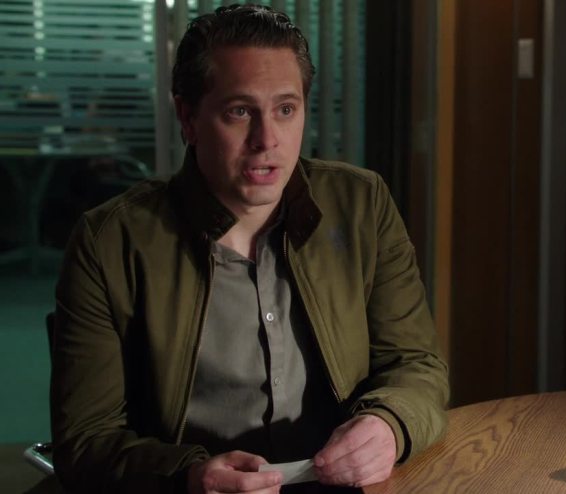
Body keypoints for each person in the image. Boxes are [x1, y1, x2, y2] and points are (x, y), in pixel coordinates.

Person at [49, 4, 449, 493]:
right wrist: (188, 474)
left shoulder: (362, 205)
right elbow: (85, 441)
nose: (267, 140)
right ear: (188, 117)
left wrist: (390, 423)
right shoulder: (110, 241)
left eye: (286, 109)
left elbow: (417, 366)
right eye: (240, 111)